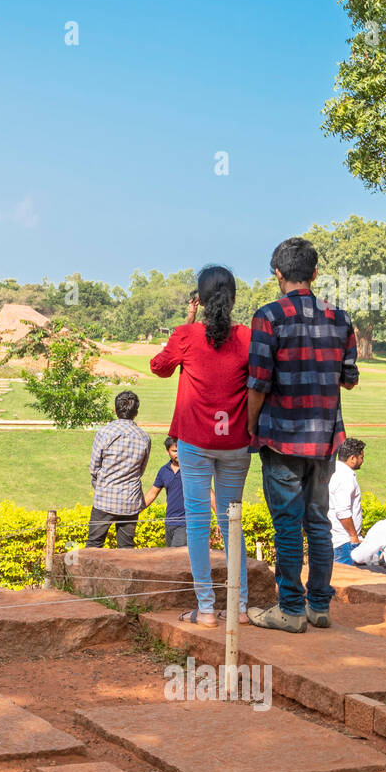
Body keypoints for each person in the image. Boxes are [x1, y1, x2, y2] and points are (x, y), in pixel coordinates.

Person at [246, 237, 359, 633]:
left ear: (278, 273)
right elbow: (349, 380)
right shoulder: (340, 319)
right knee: (318, 522)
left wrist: (249, 426)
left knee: (288, 526)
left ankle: (291, 609)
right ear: (314, 273)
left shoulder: (269, 317)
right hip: (325, 438)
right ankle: (319, 606)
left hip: (281, 437)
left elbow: (258, 383)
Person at [149, 266, 251, 624]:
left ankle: (206, 608)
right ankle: (238, 607)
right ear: (233, 298)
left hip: (194, 440)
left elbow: (159, 367)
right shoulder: (247, 337)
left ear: (201, 300)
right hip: (236, 441)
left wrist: (187, 321)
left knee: (197, 522)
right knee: (231, 522)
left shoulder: (187, 335)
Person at [87, 391, 151, 548]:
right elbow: (141, 470)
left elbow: (94, 467)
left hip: (105, 497)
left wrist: (101, 485)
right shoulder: (144, 437)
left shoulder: (105, 432)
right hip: (130, 499)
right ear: (136, 413)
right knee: (126, 548)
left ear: (115, 410)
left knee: (94, 545)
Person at [328, 438, 365, 565]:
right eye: (361, 457)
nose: (362, 461)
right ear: (352, 458)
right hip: (344, 542)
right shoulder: (346, 477)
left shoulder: (334, 471)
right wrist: (354, 536)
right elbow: (343, 511)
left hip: (336, 539)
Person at [145, 438, 187, 547]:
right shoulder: (163, 471)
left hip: (185, 523)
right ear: (167, 451)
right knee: (172, 557)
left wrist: (220, 518)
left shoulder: (190, 470)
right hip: (169, 522)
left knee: (176, 556)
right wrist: (136, 511)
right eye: (174, 451)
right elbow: (152, 493)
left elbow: (207, 492)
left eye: (181, 450)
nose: (178, 454)